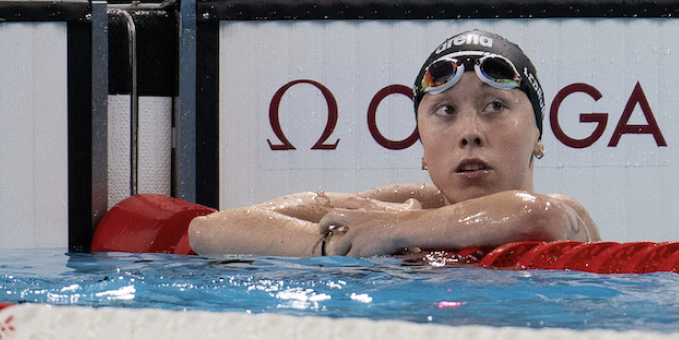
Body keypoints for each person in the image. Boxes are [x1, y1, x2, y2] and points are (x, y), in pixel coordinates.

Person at [188, 29, 599, 257]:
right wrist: (337, 246)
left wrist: (394, 228)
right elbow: (209, 230)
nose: (470, 132)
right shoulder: (414, 205)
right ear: (421, 148)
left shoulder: (569, 215)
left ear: (539, 136)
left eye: (495, 106)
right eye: (446, 111)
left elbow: (535, 217)